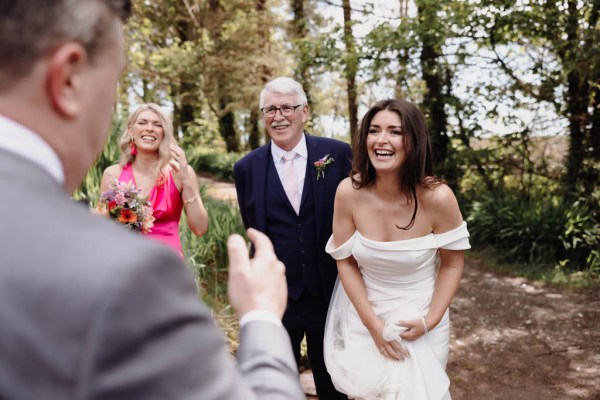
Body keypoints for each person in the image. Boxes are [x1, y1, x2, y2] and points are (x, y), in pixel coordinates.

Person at [0, 1, 304, 399]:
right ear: (68, 78)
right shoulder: (131, 277)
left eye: (154, 123)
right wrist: (262, 316)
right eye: (113, 81)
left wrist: (187, 186)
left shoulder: (177, 172)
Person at [323, 99, 470, 399]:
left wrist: (429, 321)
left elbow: (452, 264)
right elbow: (345, 261)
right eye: (374, 130)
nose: (381, 140)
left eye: (395, 132)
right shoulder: (348, 193)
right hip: (365, 318)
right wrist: (372, 324)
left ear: (414, 140)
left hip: (420, 323)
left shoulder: (438, 197)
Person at [234, 76, 352, 399]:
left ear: (305, 112)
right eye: (270, 109)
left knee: (334, 384)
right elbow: (252, 226)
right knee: (273, 384)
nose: (278, 116)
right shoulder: (246, 168)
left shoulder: (337, 155)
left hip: (327, 292)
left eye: (287, 107)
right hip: (276, 297)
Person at [101, 103, 208, 257]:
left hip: (166, 267)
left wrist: (186, 181)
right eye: (142, 122)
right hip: (123, 264)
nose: (149, 128)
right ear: (131, 130)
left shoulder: (180, 172)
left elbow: (200, 229)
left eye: (157, 125)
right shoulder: (112, 174)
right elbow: (102, 228)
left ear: (164, 133)